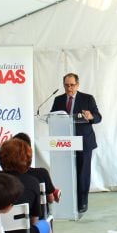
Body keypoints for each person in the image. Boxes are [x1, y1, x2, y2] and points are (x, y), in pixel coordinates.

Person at [50, 73, 102, 213]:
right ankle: (66, 201)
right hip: (65, 142)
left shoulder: (87, 98)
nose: (69, 88)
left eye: (72, 85)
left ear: (77, 85)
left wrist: (91, 117)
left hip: (83, 141)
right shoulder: (58, 100)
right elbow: (52, 117)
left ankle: (82, 202)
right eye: (66, 85)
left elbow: (98, 117)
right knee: (67, 173)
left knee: (82, 173)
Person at [12, 132, 60, 205]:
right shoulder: (41, 173)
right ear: (29, 151)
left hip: (6, 216)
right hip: (37, 215)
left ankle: (52, 190)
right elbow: (50, 200)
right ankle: (53, 190)